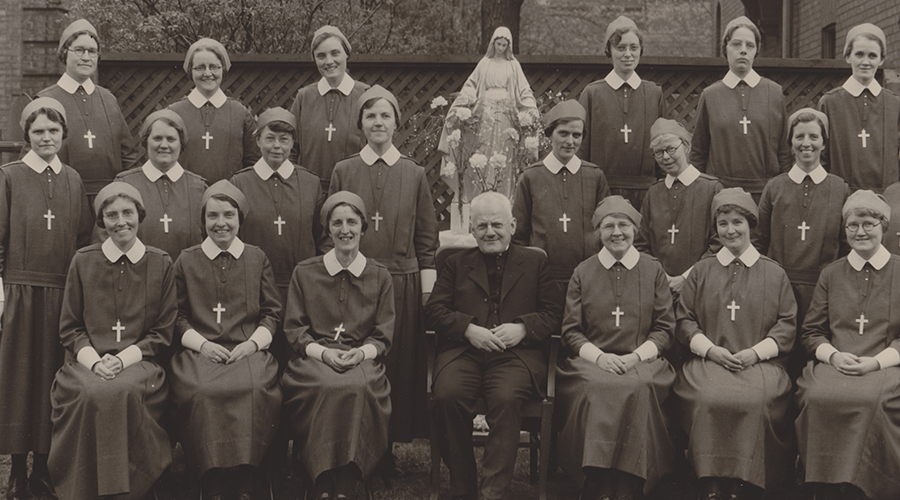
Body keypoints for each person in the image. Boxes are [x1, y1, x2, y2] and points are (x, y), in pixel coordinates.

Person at [426, 192, 563, 500]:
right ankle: (463, 487)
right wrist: (467, 329)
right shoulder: (455, 263)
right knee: (447, 395)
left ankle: (492, 493)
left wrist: (523, 328)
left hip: (517, 356)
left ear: (512, 225)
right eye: (482, 225)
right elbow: (434, 310)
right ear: (471, 230)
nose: (490, 232)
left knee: (505, 398)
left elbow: (555, 312)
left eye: (497, 224)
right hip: (464, 353)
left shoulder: (535, 261)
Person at [49, 182, 174, 500]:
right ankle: (85, 489)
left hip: (140, 363)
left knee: (120, 389)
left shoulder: (160, 263)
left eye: (128, 213)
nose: (121, 221)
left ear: (140, 215)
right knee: (93, 390)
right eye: (112, 214)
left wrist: (123, 359)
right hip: (86, 363)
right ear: (101, 221)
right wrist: (95, 361)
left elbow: (162, 331)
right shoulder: (83, 261)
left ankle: (126, 490)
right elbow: (70, 328)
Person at [329, 85, 438, 445]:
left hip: (401, 282)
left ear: (396, 123)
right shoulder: (344, 170)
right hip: (354, 281)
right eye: (370, 115)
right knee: (358, 361)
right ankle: (358, 441)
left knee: (397, 364)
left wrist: (426, 293)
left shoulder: (414, 172)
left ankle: (389, 444)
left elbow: (426, 239)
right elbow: (329, 231)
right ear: (361, 123)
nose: (378, 122)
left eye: (385, 115)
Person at [673, 188, 796, 500]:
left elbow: (787, 324)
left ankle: (744, 483)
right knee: (708, 398)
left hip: (761, 365)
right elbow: (684, 319)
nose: (730, 230)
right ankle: (710, 481)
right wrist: (710, 349)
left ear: (750, 225)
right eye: (723, 223)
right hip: (708, 362)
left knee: (754, 400)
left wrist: (755, 353)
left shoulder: (774, 272)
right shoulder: (701, 271)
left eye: (737, 222)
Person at [0, 97, 92, 500]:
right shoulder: (8, 176)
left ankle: (44, 468)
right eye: (38, 131)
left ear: (63, 134)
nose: (46, 137)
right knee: (21, 382)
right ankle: (17, 470)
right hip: (20, 292)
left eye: (53, 130)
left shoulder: (72, 179)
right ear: (26, 136)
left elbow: (84, 238)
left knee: (53, 380)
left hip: (61, 294)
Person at [556, 196, 675, 500]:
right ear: (598, 232)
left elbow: (664, 328)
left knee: (640, 386)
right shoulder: (583, 272)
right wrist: (600, 357)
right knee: (596, 387)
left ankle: (630, 484)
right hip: (592, 362)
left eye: (624, 224)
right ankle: (595, 481)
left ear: (635, 228)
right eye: (608, 226)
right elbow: (571, 330)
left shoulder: (653, 270)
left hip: (643, 361)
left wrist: (636, 356)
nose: (617, 232)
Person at [169, 180, 282, 500]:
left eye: (229, 215)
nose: (221, 223)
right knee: (203, 390)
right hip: (201, 352)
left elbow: (272, 312)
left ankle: (247, 475)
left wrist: (252, 344)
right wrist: (202, 344)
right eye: (213, 216)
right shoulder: (186, 260)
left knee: (255, 388)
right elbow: (176, 316)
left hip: (248, 350)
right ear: (203, 221)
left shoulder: (257, 257)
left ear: (240, 219)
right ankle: (211, 476)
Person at [281, 191, 394, 500]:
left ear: (363, 227)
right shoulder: (305, 272)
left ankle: (347, 474)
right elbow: (294, 329)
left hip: (361, 359)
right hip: (314, 358)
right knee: (327, 384)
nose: (345, 230)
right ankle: (320, 473)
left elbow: (383, 334)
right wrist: (324, 353)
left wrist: (361, 352)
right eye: (337, 223)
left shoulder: (380, 275)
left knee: (358, 387)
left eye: (352, 222)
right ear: (327, 229)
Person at [796, 190, 900, 500]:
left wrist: (877, 362)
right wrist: (835, 356)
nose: (860, 232)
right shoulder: (831, 273)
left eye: (868, 224)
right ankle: (823, 486)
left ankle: (865, 488)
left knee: (873, 402)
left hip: (884, 366)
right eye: (852, 225)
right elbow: (812, 331)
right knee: (816, 396)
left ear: (884, 227)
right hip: (836, 363)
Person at [754, 108, 849, 379]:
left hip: (822, 287)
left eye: (813, 136)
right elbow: (759, 240)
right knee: (781, 357)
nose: (806, 143)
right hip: (779, 286)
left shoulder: (839, 188)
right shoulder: (775, 187)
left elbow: (845, 244)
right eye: (799, 137)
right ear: (790, 142)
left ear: (824, 142)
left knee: (814, 355)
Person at [231, 106, 324, 365]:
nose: (277, 146)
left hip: (300, 287)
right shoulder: (240, 183)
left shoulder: (310, 183)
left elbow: (321, 236)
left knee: (297, 357)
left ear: (293, 143)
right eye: (269, 138)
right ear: (257, 139)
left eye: (284, 139)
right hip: (255, 289)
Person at [32, 19, 138, 197]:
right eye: (79, 50)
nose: (86, 57)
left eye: (92, 51)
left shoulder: (108, 100)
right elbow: (32, 162)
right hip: (62, 197)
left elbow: (128, 156)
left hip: (108, 199)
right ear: (65, 53)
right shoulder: (45, 100)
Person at [690, 16, 792, 198]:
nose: (743, 51)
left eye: (749, 45)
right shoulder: (710, 95)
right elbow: (699, 152)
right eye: (736, 44)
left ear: (756, 51)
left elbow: (784, 152)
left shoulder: (774, 92)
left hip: (765, 194)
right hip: (720, 194)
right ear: (725, 48)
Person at [512, 99, 610, 286]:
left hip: (588, 276)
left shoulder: (595, 176)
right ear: (550, 134)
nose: (570, 141)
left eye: (576, 135)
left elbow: (605, 228)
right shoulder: (531, 177)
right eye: (563, 133)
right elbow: (519, 235)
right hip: (542, 277)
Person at [440, 26, 538, 201]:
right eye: (498, 44)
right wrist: (463, 102)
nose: (501, 48)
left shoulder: (513, 65)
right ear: (493, 43)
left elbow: (524, 90)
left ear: (509, 46)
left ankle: (504, 199)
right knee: (483, 153)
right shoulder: (485, 63)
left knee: (505, 155)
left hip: (507, 115)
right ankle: (480, 198)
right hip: (485, 113)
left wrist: (530, 107)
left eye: (504, 45)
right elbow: (471, 86)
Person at [577, 16, 666, 207]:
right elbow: (581, 149)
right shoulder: (592, 93)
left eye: (633, 47)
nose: (628, 54)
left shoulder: (653, 93)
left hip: (647, 192)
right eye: (621, 47)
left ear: (641, 50)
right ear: (609, 50)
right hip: (602, 191)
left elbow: (663, 144)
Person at [635, 117, 722, 298]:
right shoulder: (653, 193)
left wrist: (686, 277)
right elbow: (641, 244)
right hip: (660, 289)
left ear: (687, 147)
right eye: (659, 152)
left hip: (701, 287)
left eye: (671, 149)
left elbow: (719, 242)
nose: (666, 157)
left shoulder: (711, 189)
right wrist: (661, 277)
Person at [108, 109, 208, 262]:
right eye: (157, 138)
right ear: (145, 141)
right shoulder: (125, 184)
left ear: (181, 143)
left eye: (171, 139)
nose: (164, 145)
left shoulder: (198, 188)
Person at [818, 23, 900, 192]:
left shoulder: (894, 104)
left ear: (881, 59)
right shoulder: (830, 102)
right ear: (848, 57)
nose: (865, 62)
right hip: (842, 195)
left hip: (885, 196)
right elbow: (821, 158)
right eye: (859, 54)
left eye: (872, 56)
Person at [167, 37, 260, 184]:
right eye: (200, 67)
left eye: (214, 67)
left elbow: (253, 162)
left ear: (223, 69)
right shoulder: (174, 113)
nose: (208, 73)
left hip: (229, 199)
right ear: (190, 71)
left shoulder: (240, 113)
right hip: (186, 198)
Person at [288, 26, 370, 191]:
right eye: (321, 56)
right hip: (308, 191)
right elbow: (290, 148)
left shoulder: (365, 95)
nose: (329, 61)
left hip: (353, 190)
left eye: (335, 53)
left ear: (346, 53)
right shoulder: (304, 97)